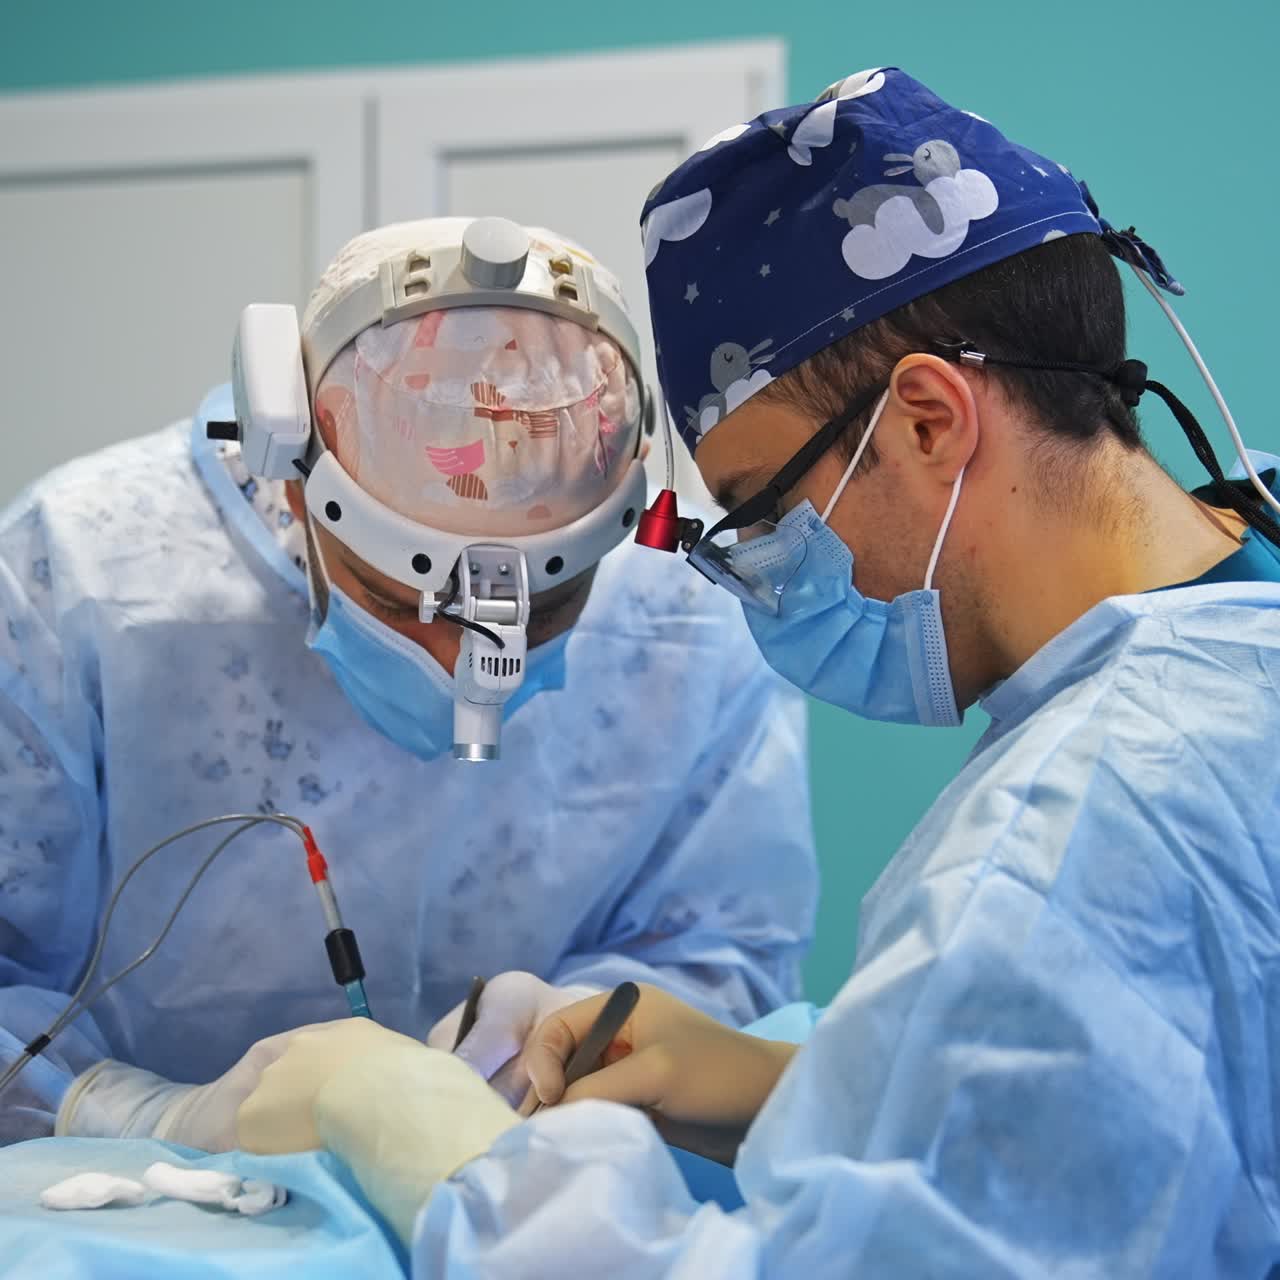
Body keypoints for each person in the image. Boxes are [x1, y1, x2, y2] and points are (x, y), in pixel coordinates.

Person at [237, 69, 1280, 1275]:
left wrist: (444, 1152)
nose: (757, 578)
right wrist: (788, 1087)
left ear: (930, 420)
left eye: (756, 507)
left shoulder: (1073, 847)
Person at [0, 217, 817, 1146]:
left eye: (539, 616)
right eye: (398, 603)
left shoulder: (683, 617)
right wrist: (153, 1117)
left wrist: (586, 1039)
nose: (466, 671)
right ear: (298, 481)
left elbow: (720, 950)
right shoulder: (76, 577)